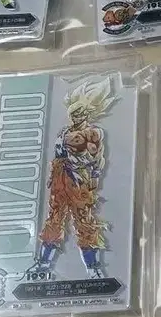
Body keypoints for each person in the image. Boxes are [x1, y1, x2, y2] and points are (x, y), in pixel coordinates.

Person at [29, 78, 116, 279]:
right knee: (54, 219)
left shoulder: (92, 132)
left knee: (84, 221)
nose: (77, 117)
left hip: (79, 180)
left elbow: (97, 158)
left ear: (86, 114)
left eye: (80, 113)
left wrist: (94, 176)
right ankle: (43, 264)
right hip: (60, 179)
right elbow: (57, 156)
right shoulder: (64, 132)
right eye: (74, 114)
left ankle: (93, 268)